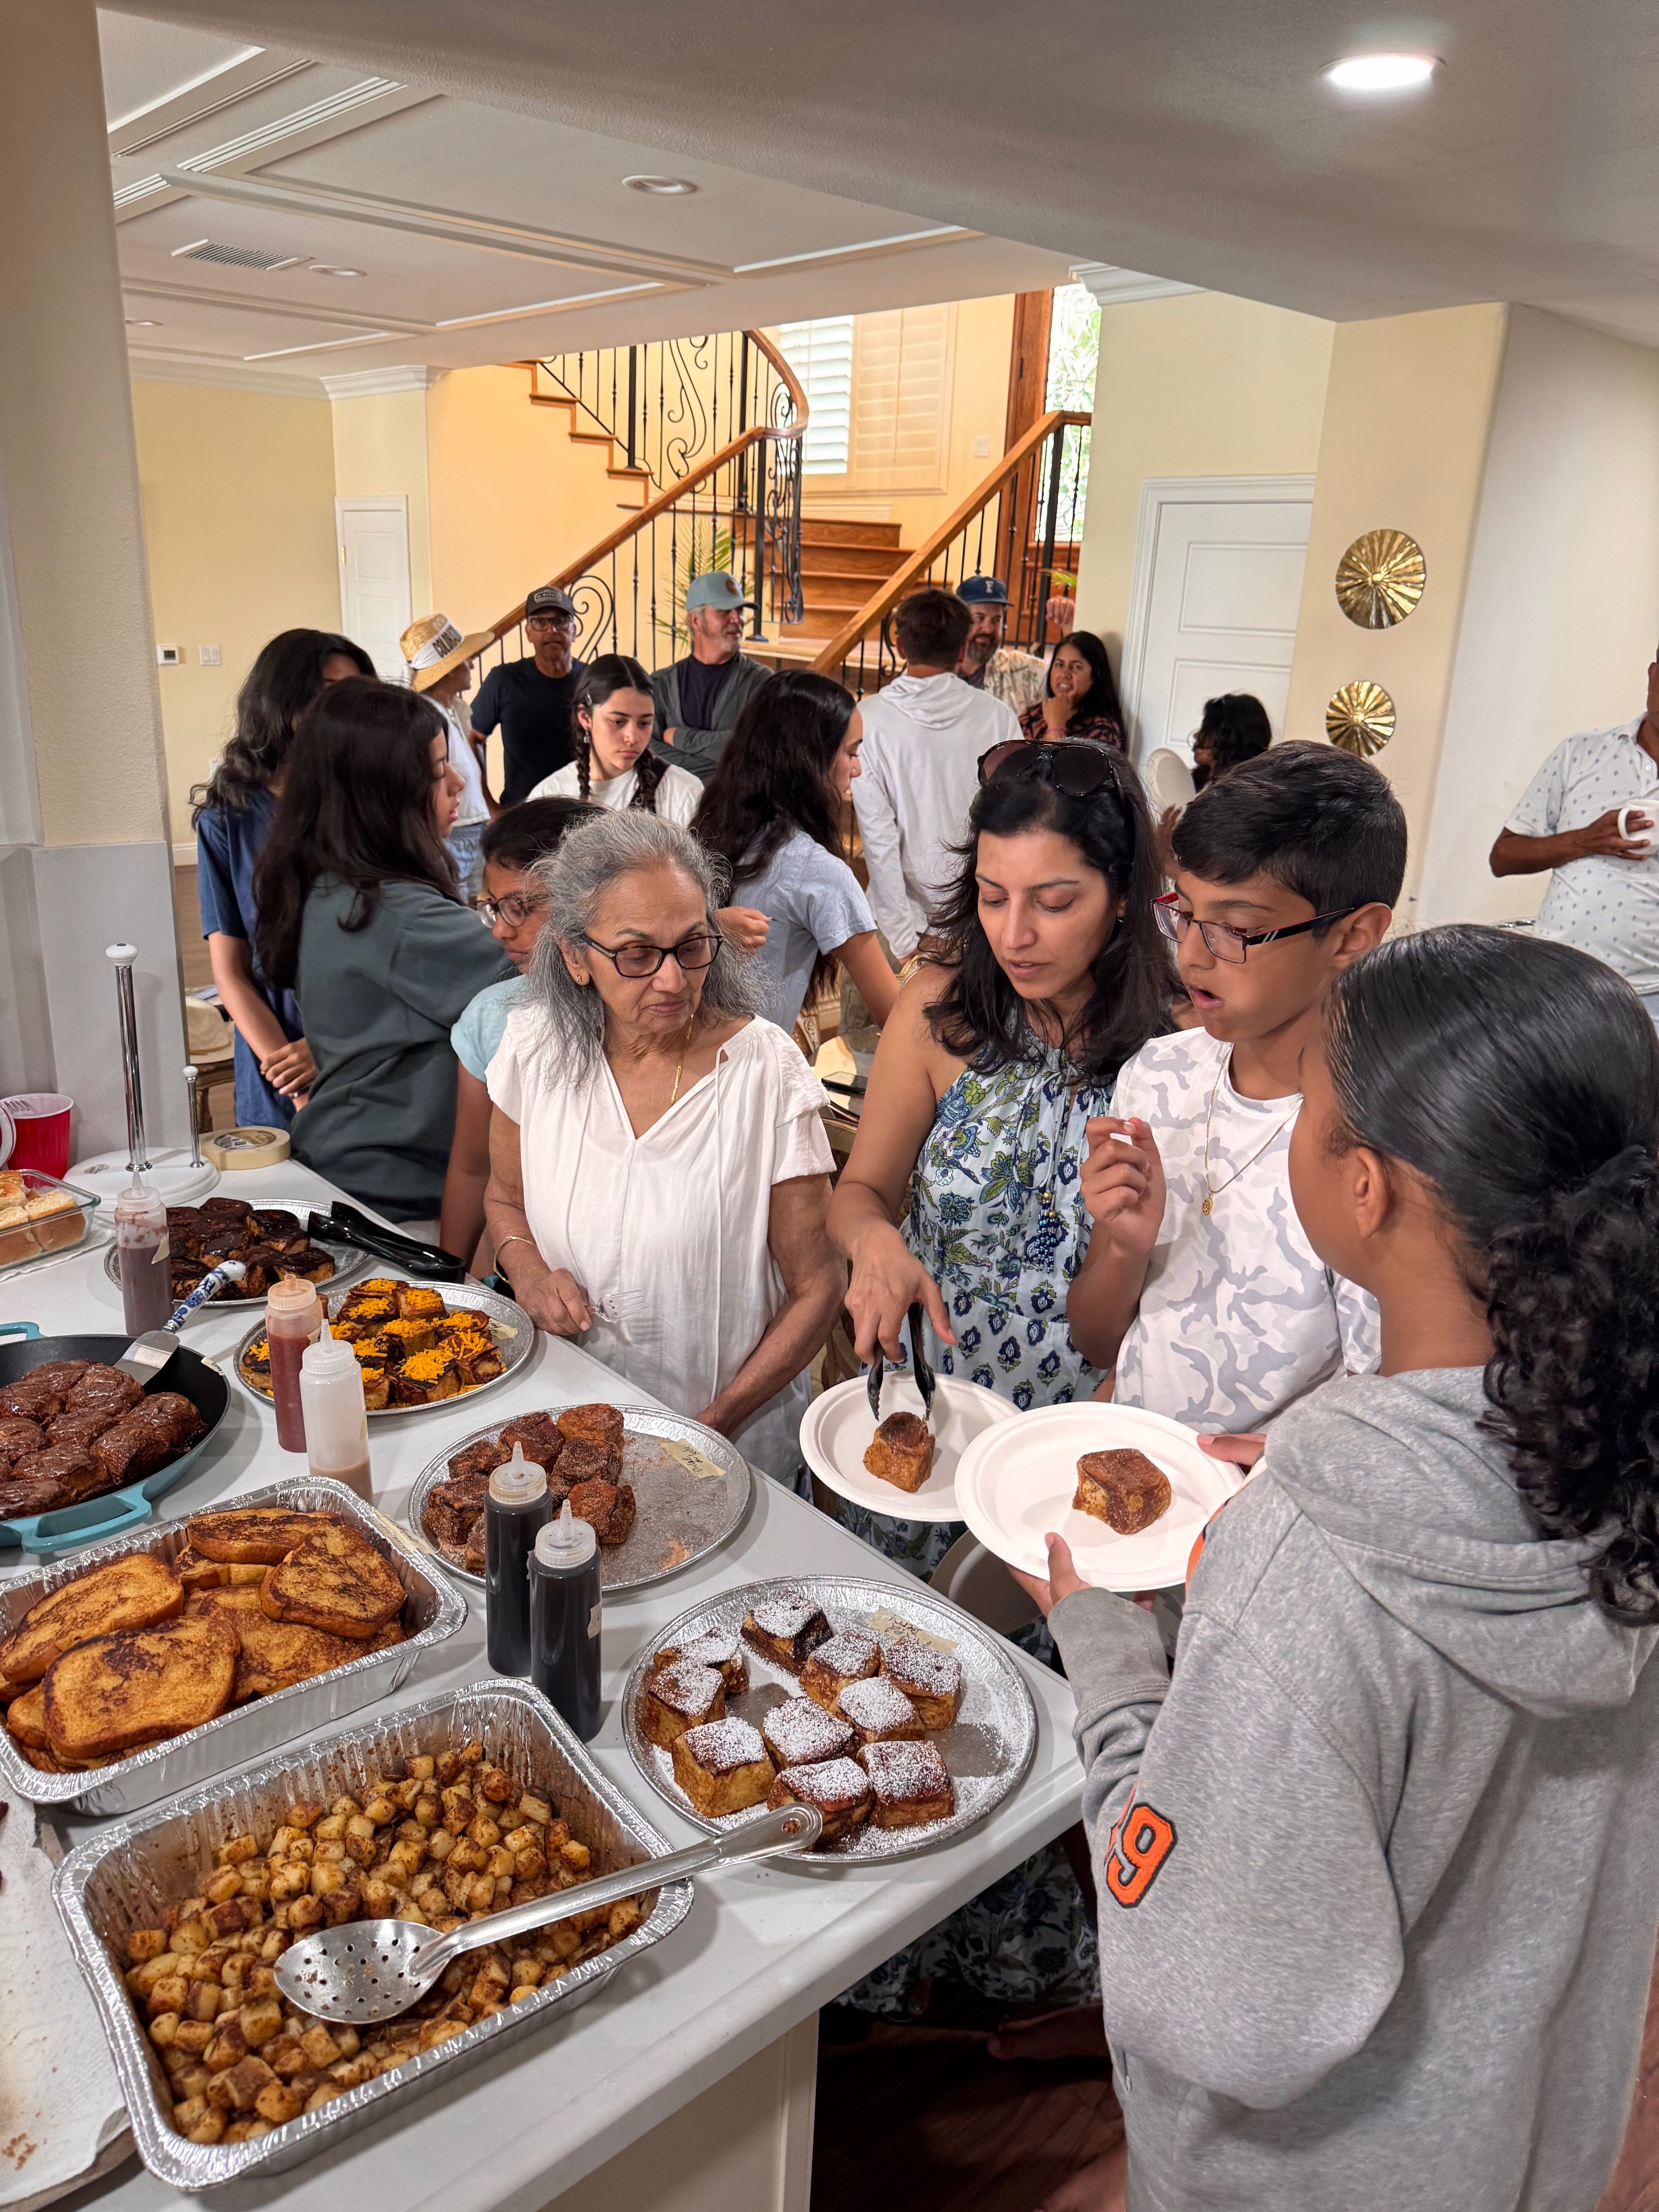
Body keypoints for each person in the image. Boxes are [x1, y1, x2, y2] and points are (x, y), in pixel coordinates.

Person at [1019, 925, 1659, 2212]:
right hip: (1522, 2140)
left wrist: (1108, 1655)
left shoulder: (1308, 1557)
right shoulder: (1619, 1446)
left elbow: (1216, 2003)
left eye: (1311, 1107)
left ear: (1362, 1186)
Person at [482, 812, 844, 1484]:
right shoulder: (533, 1049)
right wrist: (528, 1274)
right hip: (569, 1428)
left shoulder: (763, 1072)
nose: (673, 981)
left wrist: (719, 1418)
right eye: (636, 954)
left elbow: (818, 1285)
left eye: (691, 946)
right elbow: (503, 1198)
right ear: (573, 956)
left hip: (729, 1445)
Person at [1070, 743, 1403, 1437]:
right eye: (1182, 912)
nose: (1190, 953)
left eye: (1238, 930)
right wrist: (1126, 1249)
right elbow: (1101, 1344)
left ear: (1353, 936)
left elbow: (1379, 1404)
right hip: (1127, 1456)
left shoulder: (1381, 1140)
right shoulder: (1157, 1076)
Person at [254, 678, 511, 1227]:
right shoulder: (389, 912)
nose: (459, 783)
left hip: (350, 1164)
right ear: (386, 792)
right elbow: (544, 982)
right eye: (439, 770)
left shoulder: (332, 885)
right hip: (391, 1192)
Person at [191, 627, 374, 1129]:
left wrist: (331, 1047)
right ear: (281, 700)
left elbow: (402, 958)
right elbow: (231, 972)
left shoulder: (377, 807)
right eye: (325, 694)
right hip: (280, 1061)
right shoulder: (227, 820)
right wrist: (296, 1083)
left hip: (375, 1049)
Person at [439, 796, 598, 1273]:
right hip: (529, 1270)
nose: (500, 932)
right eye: (494, 908)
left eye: (520, 907)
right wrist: (448, 1279)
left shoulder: (655, 1015)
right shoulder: (495, 1018)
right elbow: (472, 1167)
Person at [694, 670, 900, 1037]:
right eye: (851, 752)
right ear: (809, 760)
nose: (858, 768)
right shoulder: (818, 871)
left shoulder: (710, 829)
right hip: (749, 1077)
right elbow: (894, 1015)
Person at [1490, 649, 1659, 1023]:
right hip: (1555, 980)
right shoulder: (1581, 753)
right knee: (1537, 1082)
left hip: (1651, 998)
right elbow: (1503, 857)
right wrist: (1585, 839)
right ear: (1652, 674)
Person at [851, 589, 1020, 962]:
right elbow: (1014, 823)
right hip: (976, 916)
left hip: (895, 920)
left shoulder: (869, 718)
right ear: (962, 650)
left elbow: (880, 841)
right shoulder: (998, 718)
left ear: (899, 647)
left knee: (875, 1023)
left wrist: (903, 941)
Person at [527, 654, 704, 825]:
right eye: (618, 722)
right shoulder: (548, 797)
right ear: (585, 718)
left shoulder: (684, 793)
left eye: (644, 723)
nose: (633, 737)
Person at [401, 612, 495, 899]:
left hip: (468, 828)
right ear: (449, 669)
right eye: (465, 659)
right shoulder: (428, 719)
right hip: (453, 833)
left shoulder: (453, 711)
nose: (472, 663)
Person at [648, 571, 772, 781]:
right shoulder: (662, 683)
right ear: (696, 621)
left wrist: (680, 738)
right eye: (724, 611)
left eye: (740, 611)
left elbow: (758, 747)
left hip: (736, 810)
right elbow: (648, 748)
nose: (738, 619)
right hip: (671, 808)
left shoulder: (762, 683)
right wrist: (716, 771)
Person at [469, 585, 588, 804]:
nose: (552, 630)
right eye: (541, 622)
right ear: (529, 633)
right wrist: (487, 804)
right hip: (521, 814)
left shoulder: (593, 681)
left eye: (561, 621)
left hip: (581, 812)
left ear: (574, 630)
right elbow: (473, 737)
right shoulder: (504, 680)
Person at [1018, 630, 1125, 749]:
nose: (1065, 674)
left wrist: (1056, 727)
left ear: (1096, 675)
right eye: (1060, 665)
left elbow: (1050, 767)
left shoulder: (1104, 730)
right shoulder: (1031, 716)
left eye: (1076, 667)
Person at [957, 573, 1048, 712]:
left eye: (996, 620)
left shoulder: (1018, 668)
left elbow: (1064, 680)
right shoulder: (937, 670)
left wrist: (1068, 627)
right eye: (979, 618)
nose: (988, 629)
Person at [1190, 690, 1271, 788]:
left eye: (1208, 729)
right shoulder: (1200, 780)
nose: (1196, 735)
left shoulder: (1242, 794)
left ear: (1231, 739)